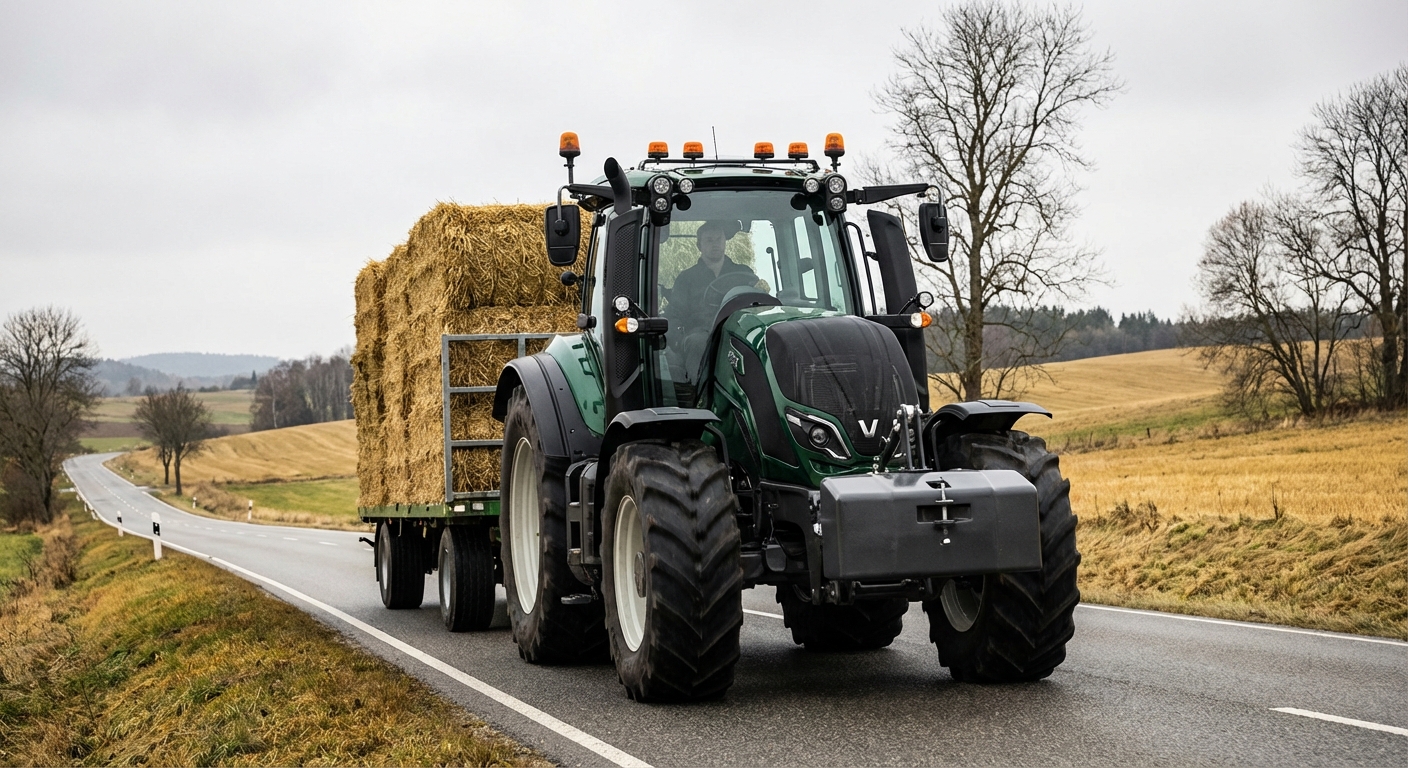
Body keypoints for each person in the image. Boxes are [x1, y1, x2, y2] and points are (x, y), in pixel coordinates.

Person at [665, 220, 759, 335]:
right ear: (699, 245)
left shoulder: (744, 273)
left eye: (719, 239)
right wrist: (677, 340)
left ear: (725, 241)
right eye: (709, 240)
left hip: (739, 331)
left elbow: (757, 305)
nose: (715, 244)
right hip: (701, 335)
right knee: (698, 342)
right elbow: (675, 315)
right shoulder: (686, 279)